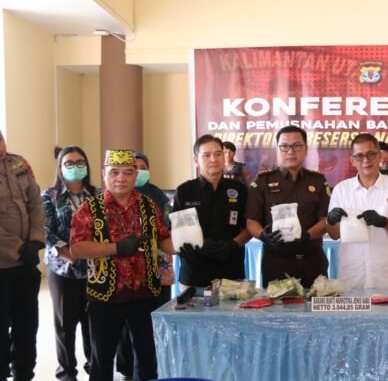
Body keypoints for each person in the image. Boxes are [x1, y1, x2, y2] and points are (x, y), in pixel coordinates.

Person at [70, 149, 174, 381]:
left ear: (135, 174)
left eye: (128, 172)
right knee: (102, 360)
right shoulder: (90, 208)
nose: (121, 178)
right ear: (104, 174)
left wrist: (186, 245)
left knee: (147, 358)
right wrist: (116, 248)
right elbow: (77, 248)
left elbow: (163, 239)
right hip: (106, 296)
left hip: (145, 293)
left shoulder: (148, 205)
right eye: (114, 172)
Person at [246, 125, 331, 288]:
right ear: (277, 149)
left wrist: (307, 235)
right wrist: (263, 235)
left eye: (297, 146)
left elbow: (325, 219)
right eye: (284, 146)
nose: (290, 152)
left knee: (316, 304)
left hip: (312, 260)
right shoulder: (263, 181)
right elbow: (251, 221)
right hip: (277, 262)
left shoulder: (318, 181)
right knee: (278, 304)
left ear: (306, 149)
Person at [115, 151, 174, 381]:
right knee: (123, 325)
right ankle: (126, 369)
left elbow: (167, 229)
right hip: (123, 272)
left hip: (158, 266)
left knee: (152, 321)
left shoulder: (157, 196)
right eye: (134, 168)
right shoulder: (114, 198)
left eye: (142, 167)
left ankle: (153, 368)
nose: (138, 172)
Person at [326, 134, 388, 288]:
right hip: (351, 277)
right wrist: (331, 221)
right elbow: (334, 234)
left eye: (371, 154)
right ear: (352, 160)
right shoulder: (341, 189)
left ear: (379, 156)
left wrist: (383, 222)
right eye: (359, 156)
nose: (366, 160)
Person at [42, 146, 98, 381]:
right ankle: (67, 373)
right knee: (65, 325)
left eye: (79, 162)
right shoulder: (50, 196)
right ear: (60, 167)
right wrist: (68, 253)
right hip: (63, 269)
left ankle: (95, 369)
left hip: (95, 270)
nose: (75, 167)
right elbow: (45, 230)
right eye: (69, 163)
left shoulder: (98, 194)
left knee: (93, 323)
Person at [172, 136, 251, 288]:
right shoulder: (184, 191)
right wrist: (196, 245)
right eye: (207, 155)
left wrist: (233, 244)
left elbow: (249, 227)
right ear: (196, 160)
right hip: (195, 276)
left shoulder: (239, 189)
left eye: (218, 154)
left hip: (231, 275)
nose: (213, 159)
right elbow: (176, 232)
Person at [0, 130, 45, 381]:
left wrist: (36, 240)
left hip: (25, 265)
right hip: (3, 265)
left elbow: (35, 203)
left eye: (0, 139)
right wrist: (19, 249)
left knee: (27, 326)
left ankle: (24, 374)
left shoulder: (19, 163)